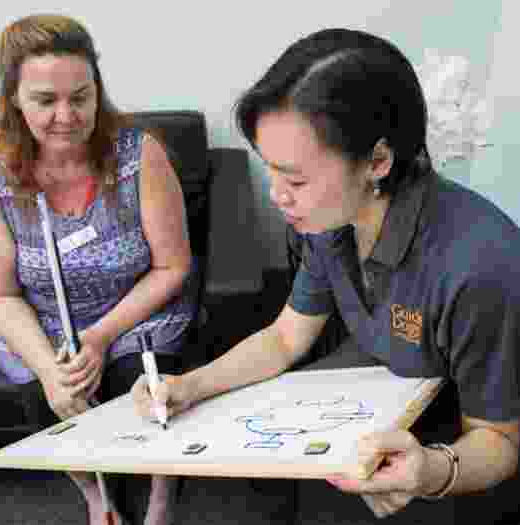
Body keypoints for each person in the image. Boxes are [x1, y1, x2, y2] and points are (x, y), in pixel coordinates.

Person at [132, 28, 520, 524]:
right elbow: (285, 339)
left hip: (461, 456)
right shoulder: (329, 222)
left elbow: (500, 441)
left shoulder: (479, 266)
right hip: (389, 412)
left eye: (294, 178)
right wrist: (189, 386)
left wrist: (430, 471)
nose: (277, 194)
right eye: (270, 171)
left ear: (378, 162)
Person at [0, 14, 196, 525]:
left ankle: (162, 494)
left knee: (142, 382)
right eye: (46, 101)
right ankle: (97, 498)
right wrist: (52, 369)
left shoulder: (139, 155)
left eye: (81, 96)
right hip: (45, 322)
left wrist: (100, 337)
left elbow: (172, 265)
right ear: (15, 102)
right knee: (44, 396)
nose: (67, 115)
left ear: (98, 91)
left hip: (136, 311)